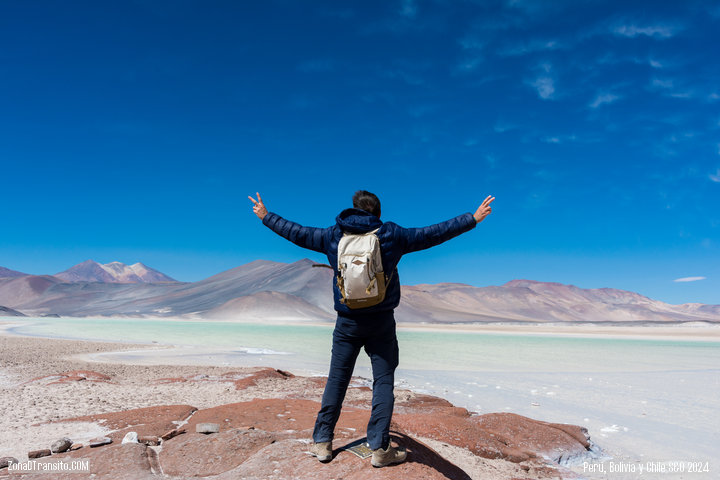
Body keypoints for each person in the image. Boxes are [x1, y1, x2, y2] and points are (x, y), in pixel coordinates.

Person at [249, 190, 494, 468]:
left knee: (337, 380)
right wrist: (471, 219)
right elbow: (432, 234)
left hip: (347, 323)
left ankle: (322, 442)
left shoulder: (334, 235)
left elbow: (298, 233)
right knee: (383, 381)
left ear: (354, 210)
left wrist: (266, 217)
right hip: (381, 321)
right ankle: (379, 447)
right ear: (377, 213)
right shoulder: (391, 234)